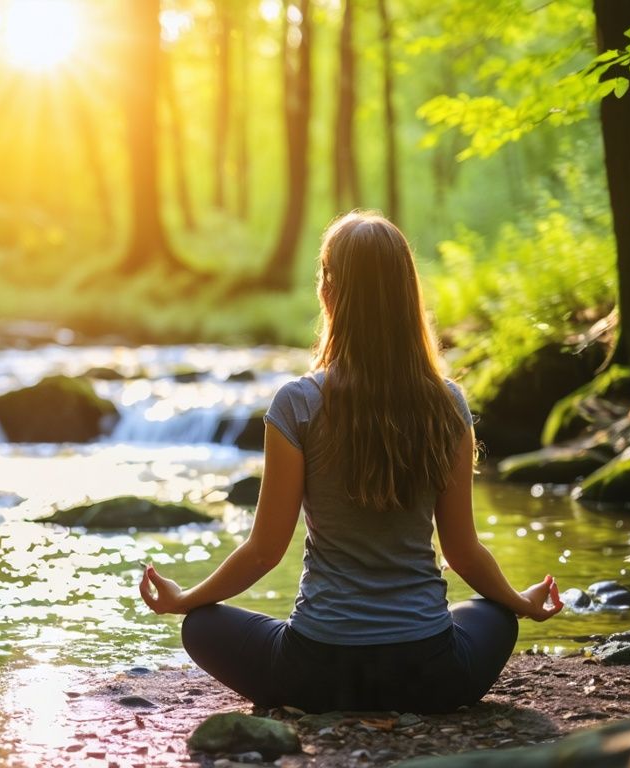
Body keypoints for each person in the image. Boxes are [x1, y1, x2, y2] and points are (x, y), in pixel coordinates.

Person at [138, 211, 563, 714]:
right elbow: (463, 551)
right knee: (495, 615)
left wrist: (185, 600)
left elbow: (263, 552)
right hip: (432, 674)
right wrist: (521, 603)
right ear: (408, 294)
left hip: (316, 673)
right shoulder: (448, 404)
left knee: (203, 626)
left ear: (329, 291)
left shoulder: (297, 403)